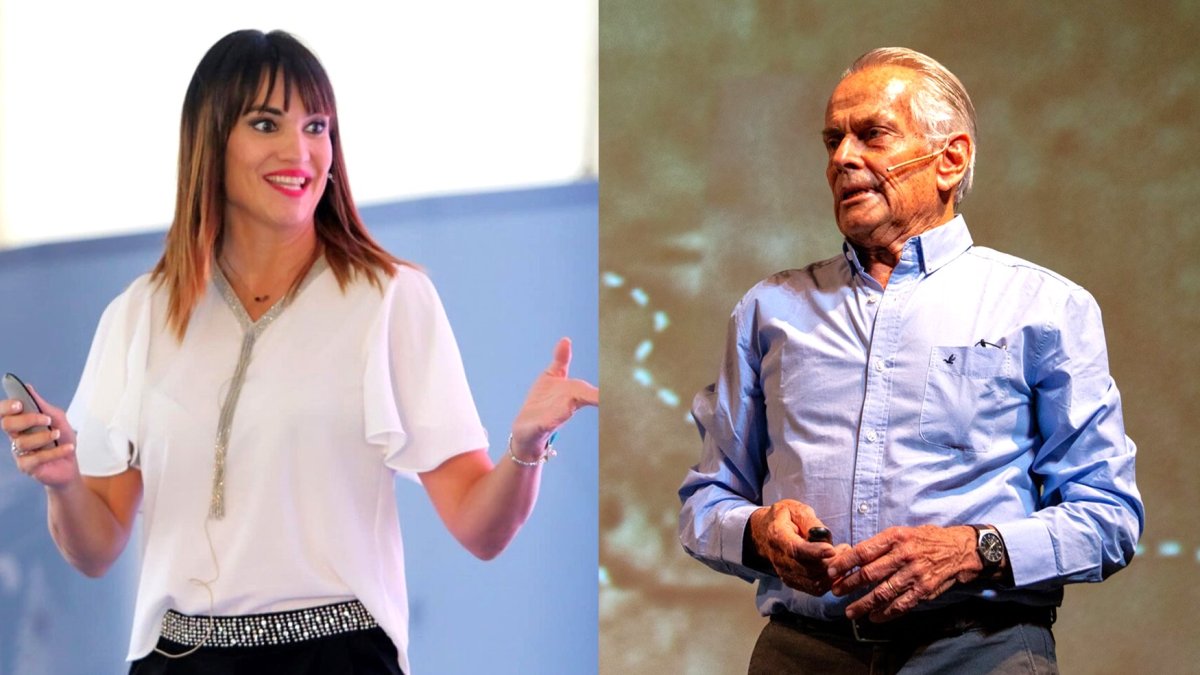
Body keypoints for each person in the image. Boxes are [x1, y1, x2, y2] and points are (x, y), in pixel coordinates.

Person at [1, 29, 598, 675]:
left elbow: (481, 529)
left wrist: (527, 444)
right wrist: (61, 481)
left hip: (337, 658)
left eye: (317, 126)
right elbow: (94, 549)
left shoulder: (389, 297)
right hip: (176, 659)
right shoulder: (139, 313)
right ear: (210, 140)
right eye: (266, 123)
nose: (301, 150)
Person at [678, 47, 1143, 674]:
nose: (843, 159)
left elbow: (1108, 517)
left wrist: (973, 550)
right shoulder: (768, 311)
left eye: (871, 135)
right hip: (801, 653)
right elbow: (706, 504)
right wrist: (760, 534)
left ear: (950, 159)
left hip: (980, 652)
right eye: (833, 141)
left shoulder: (1046, 308)